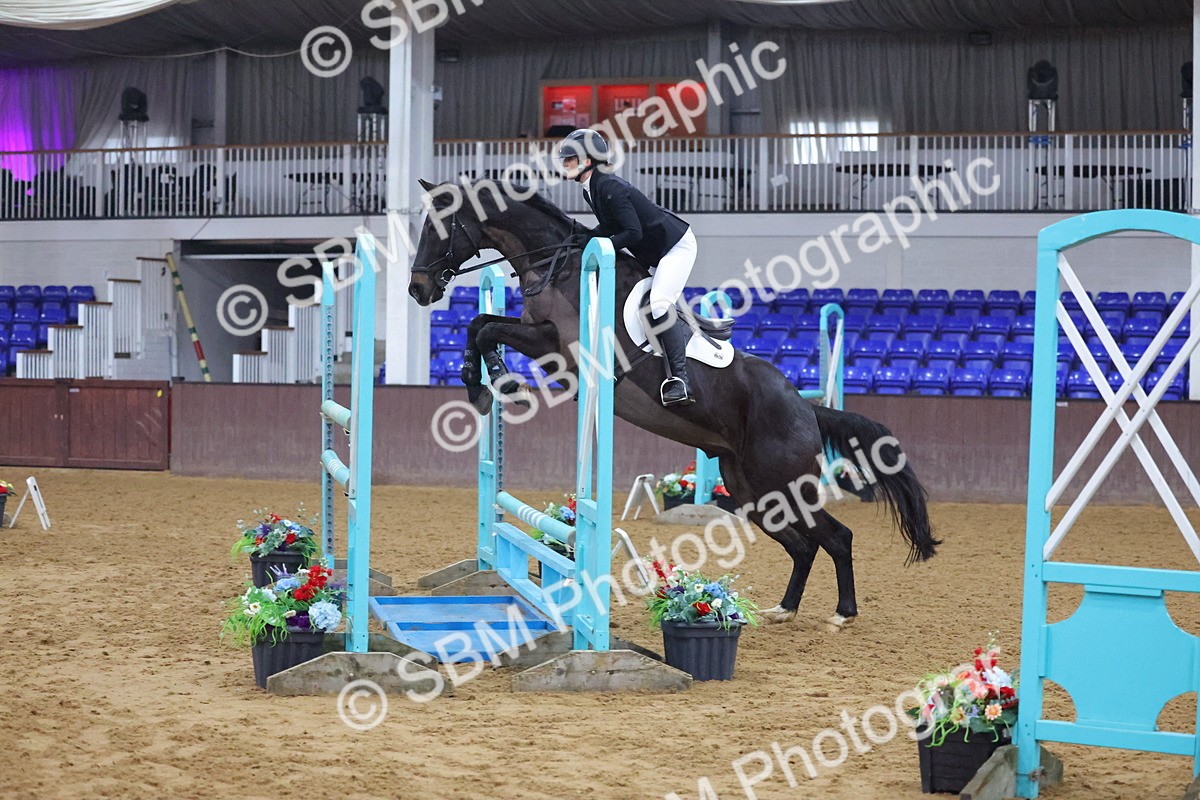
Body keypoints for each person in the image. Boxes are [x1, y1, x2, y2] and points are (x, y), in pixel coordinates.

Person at [557, 128, 698, 407]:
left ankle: (680, 379)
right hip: (651, 251)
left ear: (587, 162)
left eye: (569, 158)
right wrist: (586, 236)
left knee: (658, 304)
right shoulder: (593, 190)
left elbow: (632, 233)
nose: (564, 164)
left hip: (675, 248)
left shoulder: (609, 187)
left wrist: (600, 243)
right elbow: (612, 227)